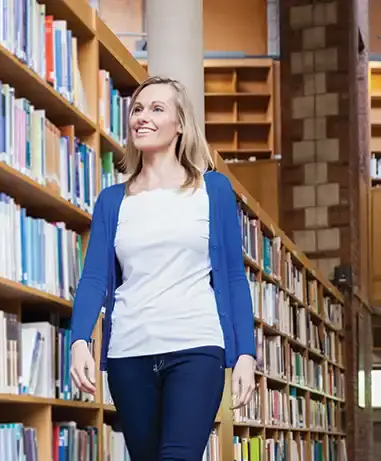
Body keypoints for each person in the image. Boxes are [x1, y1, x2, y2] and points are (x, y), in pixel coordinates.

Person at [69, 76, 257, 460]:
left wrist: (246, 354)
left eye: (157, 109)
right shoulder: (112, 200)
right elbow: (92, 279)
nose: (142, 117)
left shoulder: (214, 189)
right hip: (129, 352)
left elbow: (235, 279)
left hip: (196, 346)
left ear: (180, 124)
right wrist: (78, 340)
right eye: (137, 108)